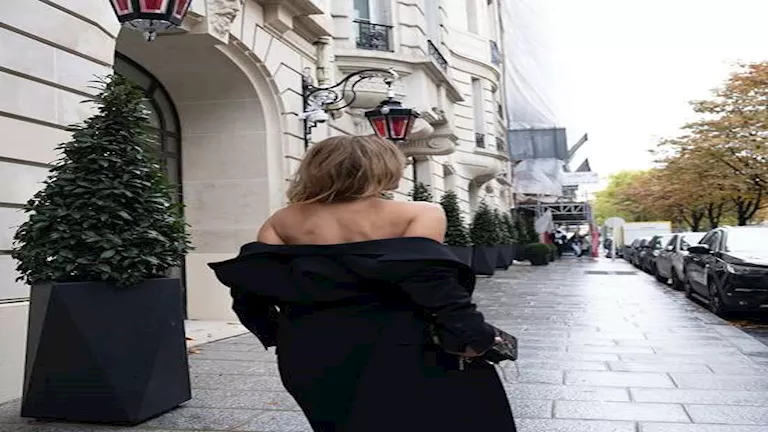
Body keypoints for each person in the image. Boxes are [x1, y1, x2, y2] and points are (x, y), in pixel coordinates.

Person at [209, 136, 516, 432]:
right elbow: (432, 286)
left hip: (308, 350)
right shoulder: (420, 212)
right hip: (401, 345)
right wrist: (476, 336)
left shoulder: (281, 221)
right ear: (382, 167)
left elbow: (251, 290)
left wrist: (279, 335)